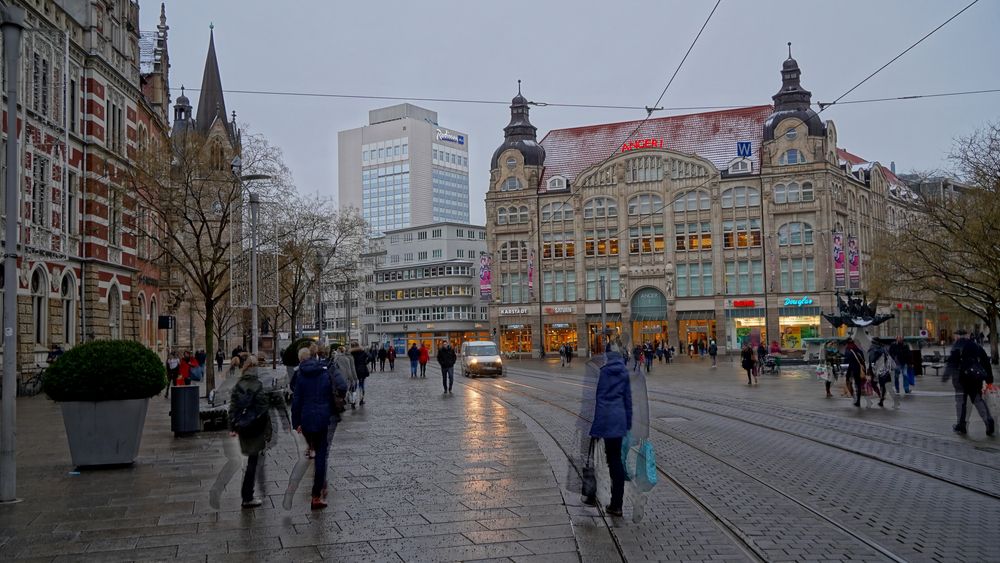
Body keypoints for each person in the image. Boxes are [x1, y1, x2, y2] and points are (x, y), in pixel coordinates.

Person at [291, 346, 348, 510]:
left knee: (315, 449)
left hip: (306, 419)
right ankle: (316, 495)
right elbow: (341, 386)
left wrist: (296, 424)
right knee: (321, 456)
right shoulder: (326, 372)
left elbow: (296, 402)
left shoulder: (301, 375)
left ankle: (311, 448)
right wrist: (333, 405)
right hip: (323, 418)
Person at [588, 336, 632, 518]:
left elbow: (601, 401)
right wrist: (628, 423)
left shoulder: (604, 372)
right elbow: (628, 401)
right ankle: (617, 503)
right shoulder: (624, 372)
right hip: (620, 421)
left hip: (606, 421)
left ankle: (615, 504)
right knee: (617, 461)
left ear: (607, 355)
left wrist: (596, 430)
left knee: (611, 459)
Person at [228, 354, 273, 508]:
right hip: (255, 427)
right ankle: (247, 496)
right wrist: (268, 432)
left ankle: (247, 493)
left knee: (250, 460)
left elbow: (232, 408)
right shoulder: (257, 385)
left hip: (243, 426)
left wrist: (232, 427)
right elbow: (263, 410)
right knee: (253, 462)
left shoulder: (238, 384)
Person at [945, 329, 995, 435]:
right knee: (978, 400)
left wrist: (946, 376)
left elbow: (952, 363)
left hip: (962, 380)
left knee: (961, 403)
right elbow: (986, 363)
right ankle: (988, 420)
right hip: (976, 378)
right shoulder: (977, 346)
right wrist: (989, 380)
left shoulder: (958, 347)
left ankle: (961, 425)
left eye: (956, 336)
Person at [869, 340, 899, 409]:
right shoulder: (885, 352)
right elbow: (892, 363)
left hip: (881, 373)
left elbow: (873, 363)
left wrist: (873, 371)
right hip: (886, 372)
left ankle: (882, 400)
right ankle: (884, 401)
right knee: (887, 387)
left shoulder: (876, 352)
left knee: (881, 386)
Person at [845, 337, 868, 408]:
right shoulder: (858, 349)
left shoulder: (848, 349)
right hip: (859, 369)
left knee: (848, 381)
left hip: (852, 368)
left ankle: (853, 395)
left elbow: (847, 359)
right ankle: (858, 401)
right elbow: (863, 359)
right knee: (858, 384)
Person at [334, 345, 359, 409]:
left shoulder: (335, 358)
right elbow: (351, 369)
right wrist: (354, 378)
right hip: (346, 377)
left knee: (340, 392)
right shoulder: (348, 358)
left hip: (338, 377)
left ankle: (341, 405)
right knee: (350, 390)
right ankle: (352, 401)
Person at [350, 341, 370, 405]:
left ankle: (353, 401)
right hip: (362, 370)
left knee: (354, 386)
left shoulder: (350, 353)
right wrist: (365, 363)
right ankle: (361, 400)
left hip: (354, 370)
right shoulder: (362, 352)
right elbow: (370, 357)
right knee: (361, 385)